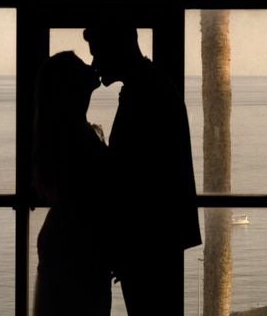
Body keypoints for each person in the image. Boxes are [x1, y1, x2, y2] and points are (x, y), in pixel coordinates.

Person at [84, 21, 202, 316]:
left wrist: (126, 247)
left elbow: (139, 182)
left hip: (148, 245)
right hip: (153, 243)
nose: (95, 63)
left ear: (118, 48)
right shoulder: (151, 87)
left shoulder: (146, 93)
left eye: (98, 53)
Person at [32, 51, 112, 316]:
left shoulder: (65, 134)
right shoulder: (77, 138)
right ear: (69, 86)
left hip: (70, 243)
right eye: (80, 66)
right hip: (78, 249)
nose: (90, 66)